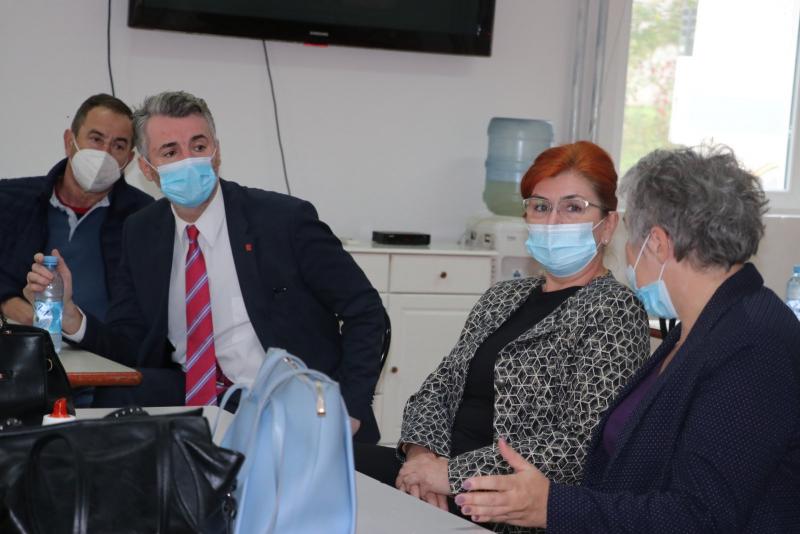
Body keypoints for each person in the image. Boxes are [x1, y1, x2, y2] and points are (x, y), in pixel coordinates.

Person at [455, 145, 800, 532]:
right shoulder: (702, 326)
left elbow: (699, 518)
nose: (630, 255)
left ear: (658, 243)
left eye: (631, 240)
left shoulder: (753, 345)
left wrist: (552, 506)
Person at [25, 90, 386, 443]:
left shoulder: (282, 221)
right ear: (147, 169)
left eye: (198, 146)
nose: (189, 160)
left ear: (216, 152)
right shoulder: (141, 231)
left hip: (284, 400)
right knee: (108, 406)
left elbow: (366, 312)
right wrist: (70, 315)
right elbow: (131, 343)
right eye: (171, 152)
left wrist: (350, 408)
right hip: (193, 395)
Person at [355, 141, 650, 528]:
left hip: (502, 502)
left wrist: (452, 475)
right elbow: (438, 387)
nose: (553, 221)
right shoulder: (502, 297)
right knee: (326, 464)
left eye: (573, 208)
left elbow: (583, 443)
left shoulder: (614, 309)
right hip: (432, 472)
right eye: (540, 207)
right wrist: (420, 459)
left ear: (608, 225)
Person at [0, 94, 153, 324]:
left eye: (118, 145)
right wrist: (11, 305)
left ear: (129, 159)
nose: (105, 153)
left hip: (107, 345)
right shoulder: (10, 200)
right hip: (27, 340)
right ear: (69, 141)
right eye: (96, 139)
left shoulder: (144, 215)